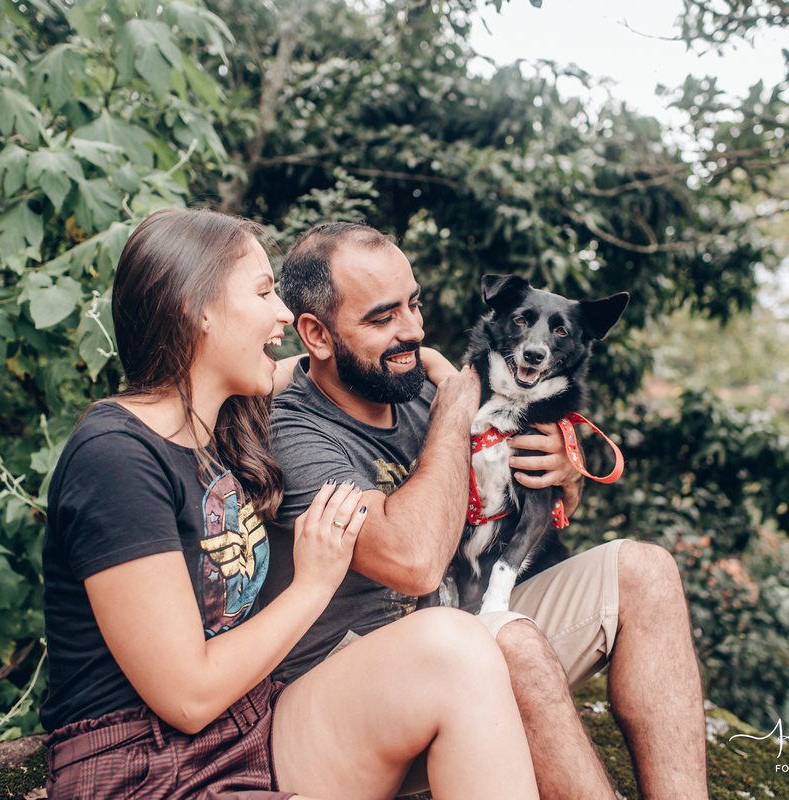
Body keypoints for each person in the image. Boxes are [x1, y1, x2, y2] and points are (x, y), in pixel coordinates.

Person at [39, 208, 540, 800]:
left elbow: (318, 362)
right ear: (193, 312)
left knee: (457, 647)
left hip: (257, 728)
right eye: (262, 292)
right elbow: (188, 697)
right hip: (145, 767)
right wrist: (312, 584)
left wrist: (518, 425)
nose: (283, 315)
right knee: (453, 647)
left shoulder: (222, 417)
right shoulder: (115, 458)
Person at [262, 222, 710, 800]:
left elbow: (522, 497)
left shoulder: (412, 384)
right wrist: (456, 405)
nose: (414, 333)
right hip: (349, 680)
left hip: (459, 622)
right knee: (508, 644)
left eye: (413, 305)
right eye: (382, 318)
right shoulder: (294, 428)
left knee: (647, 571)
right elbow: (415, 563)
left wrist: (562, 471)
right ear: (316, 336)